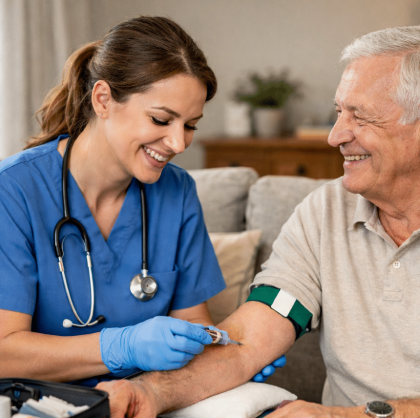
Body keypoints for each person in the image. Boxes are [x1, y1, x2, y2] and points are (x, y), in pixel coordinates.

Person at [98, 25, 420, 418]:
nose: (335, 135)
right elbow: (249, 339)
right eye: (338, 112)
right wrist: (150, 392)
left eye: (360, 117)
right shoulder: (325, 214)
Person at [0, 16, 278, 387]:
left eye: (190, 125)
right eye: (161, 119)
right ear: (103, 99)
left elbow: (192, 323)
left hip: (149, 408)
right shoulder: (13, 191)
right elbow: (5, 352)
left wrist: (230, 356)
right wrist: (122, 347)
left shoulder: (176, 192)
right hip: (44, 416)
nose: (179, 144)